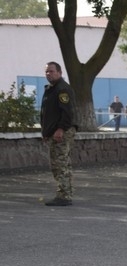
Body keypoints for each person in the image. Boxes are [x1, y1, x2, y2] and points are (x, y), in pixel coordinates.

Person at [40, 61, 76, 207]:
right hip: (54, 132)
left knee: (60, 164)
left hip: (62, 132)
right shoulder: (52, 89)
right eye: (47, 71)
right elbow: (49, 114)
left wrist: (60, 129)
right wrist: (46, 132)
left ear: (60, 73)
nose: (49, 74)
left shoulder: (62, 89)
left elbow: (67, 112)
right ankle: (65, 193)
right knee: (60, 164)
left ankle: (64, 196)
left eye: (52, 71)